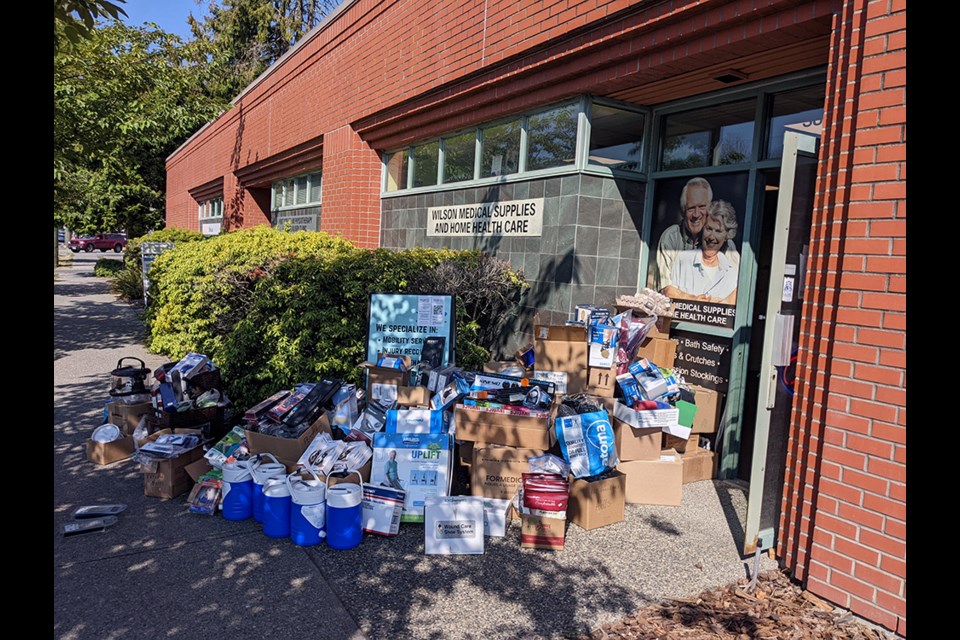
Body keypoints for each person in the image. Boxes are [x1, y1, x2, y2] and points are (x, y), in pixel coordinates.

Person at [655, 177, 739, 292]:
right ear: (683, 210)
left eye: (702, 207)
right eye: (691, 208)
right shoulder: (671, 237)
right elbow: (666, 288)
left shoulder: (726, 244)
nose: (696, 214)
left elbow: (737, 288)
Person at [663, 200, 740, 305]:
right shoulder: (683, 259)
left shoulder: (730, 269)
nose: (711, 237)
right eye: (709, 229)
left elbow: (735, 301)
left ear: (726, 236)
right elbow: (669, 292)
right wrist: (693, 299)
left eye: (718, 231)